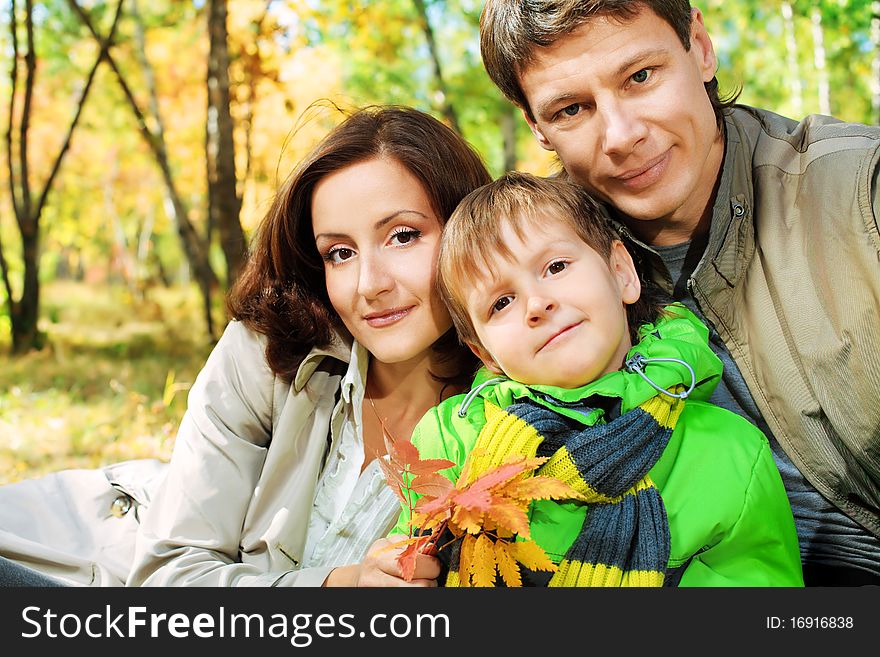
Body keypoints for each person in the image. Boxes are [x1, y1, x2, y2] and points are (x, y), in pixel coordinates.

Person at [0, 105, 490, 587]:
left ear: (469, 230)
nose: (368, 284)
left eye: (403, 236)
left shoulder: (522, 417)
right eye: (339, 253)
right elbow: (170, 574)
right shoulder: (271, 349)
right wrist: (341, 588)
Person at [478, 0, 880, 586]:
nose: (621, 136)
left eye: (640, 76)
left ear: (700, 47)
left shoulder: (859, 194)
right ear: (537, 126)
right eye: (571, 109)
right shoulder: (536, 258)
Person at [391, 172, 803, 586]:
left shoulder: (728, 452)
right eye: (501, 303)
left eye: (555, 266)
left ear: (622, 273)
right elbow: (409, 565)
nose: (537, 304)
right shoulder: (450, 441)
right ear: (484, 354)